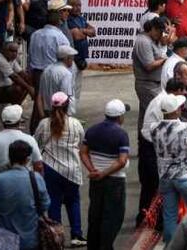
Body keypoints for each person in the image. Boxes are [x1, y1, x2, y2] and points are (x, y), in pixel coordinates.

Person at [33, 91, 85, 246]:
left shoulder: (44, 124)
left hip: (50, 169)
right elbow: (81, 143)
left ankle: (56, 238)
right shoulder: (75, 124)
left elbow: (36, 143)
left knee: (53, 203)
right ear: (67, 106)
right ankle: (76, 235)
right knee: (73, 201)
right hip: (72, 169)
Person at [151, 92, 187, 243]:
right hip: (185, 176)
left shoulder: (154, 128)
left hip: (165, 177)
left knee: (169, 216)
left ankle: (171, 245)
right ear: (176, 110)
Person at [79, 99, 129, 250]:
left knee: (96, 215)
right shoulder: (121, 134)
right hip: (115, 182)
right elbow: (122, 161)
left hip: (96, 181)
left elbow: (83, 152)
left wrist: (92, 170)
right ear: (120, 117)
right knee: (112, 217)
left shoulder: (92, 130)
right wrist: (103, 173)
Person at [0, 140, 51, 250]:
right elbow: (45, 204)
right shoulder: (36, 178)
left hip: (5, 241)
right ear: (27, 160)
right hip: (31, 240)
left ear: (10, 157)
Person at [0, 104, 44, 193]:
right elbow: (38, 166)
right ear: (19, 121)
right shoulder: (30, 139)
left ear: (3, 121)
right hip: (25, 185)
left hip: (1, 185)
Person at [132, 15, 168, 122]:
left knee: (146, 115)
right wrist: (164, 60)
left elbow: (164, 43)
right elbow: (149, 65)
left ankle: (143, 133)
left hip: (153, 84)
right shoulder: (144, 42)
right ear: (153, 29)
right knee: (154, 115)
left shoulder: (151, 40)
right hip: (147, 85)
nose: (160, 35)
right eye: (159, 32)